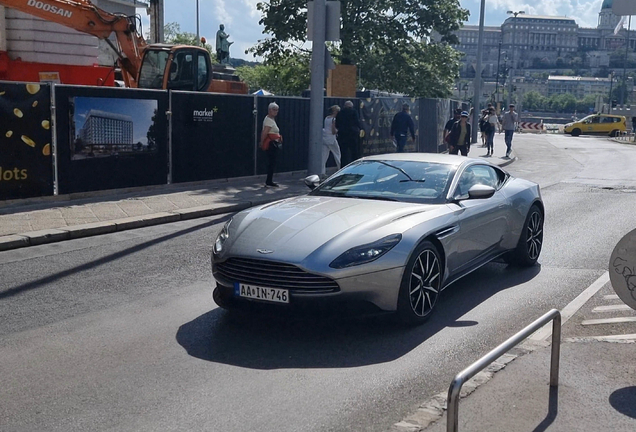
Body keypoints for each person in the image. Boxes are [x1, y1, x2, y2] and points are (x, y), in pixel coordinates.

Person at [335, 100, 363, 166]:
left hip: (342, 134)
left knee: (343, 152)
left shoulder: (340, 113)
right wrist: (360, 128)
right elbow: (357, 121)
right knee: (354, 151)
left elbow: (337, 124)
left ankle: (343, 166)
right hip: (353, 134)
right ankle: (355, 165)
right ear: (351, 106)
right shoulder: (354, 112)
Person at [260, 102, 282, 187]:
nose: (276, 111)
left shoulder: (271, 119)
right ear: (269, 110)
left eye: (277, 110)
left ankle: (269, 180)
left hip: (275, 143)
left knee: (272, 162)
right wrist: (261, 142)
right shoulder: (269, 120)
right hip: (271, 144)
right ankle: (269, 181)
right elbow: (265, 132)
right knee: (271, 162)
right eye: (274, 110)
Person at [322, 105, 342, 177]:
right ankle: (341, 168)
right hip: (331, 138)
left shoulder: (326, 118)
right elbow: (333, 131)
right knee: (337, 153)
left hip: (324, 138)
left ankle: (322, 172)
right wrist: (337, 131)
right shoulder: (334, 119)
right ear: (336, 112)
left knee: (324, 155)